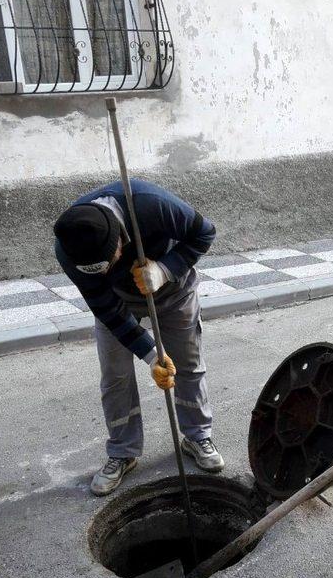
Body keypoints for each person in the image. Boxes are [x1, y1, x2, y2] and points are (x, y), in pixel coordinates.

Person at [53, 179, 224, 496]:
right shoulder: (69, 248)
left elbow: (205, 232)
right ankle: (122, 451)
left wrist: (165, 269)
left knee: (188, 363)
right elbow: (105, 307)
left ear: (119, 239)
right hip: (119, 301)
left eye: (109, 263)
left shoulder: (150, 203)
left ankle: (197, 436)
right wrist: (151, 353)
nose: (102, 272)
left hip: (175, 291)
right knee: (115, 376)